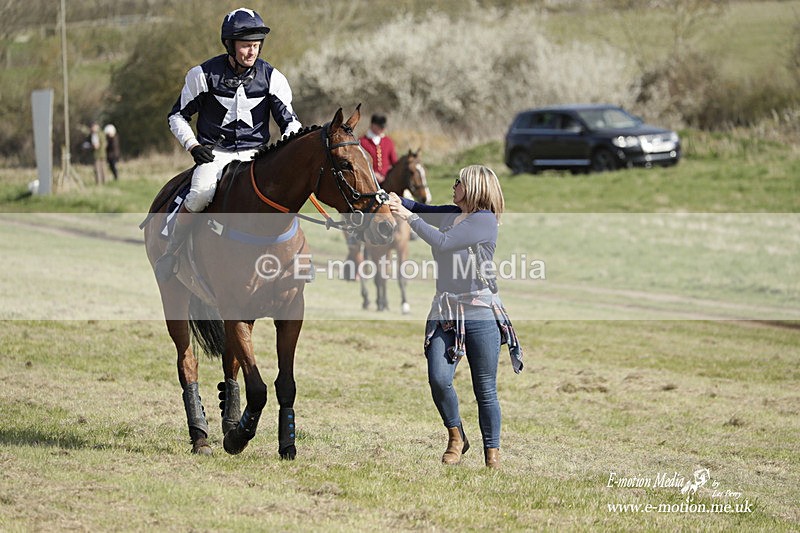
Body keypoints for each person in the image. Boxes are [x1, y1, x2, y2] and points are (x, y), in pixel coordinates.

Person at [387, 165, 523, 469]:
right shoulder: (451, 213)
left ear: (473, 187)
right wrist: (393, 198)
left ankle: (492, 455)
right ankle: (457, 436)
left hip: (480, 313)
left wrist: (408, 217)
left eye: (458, 181)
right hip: (445, 310)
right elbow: (419, 207)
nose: (454, 185)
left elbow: (443, 242)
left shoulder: (484, 220)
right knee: (438, 378)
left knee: (484, 388)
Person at [154, 7, 302, 282]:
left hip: (257, 155)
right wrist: (193, 146)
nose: (252, 51)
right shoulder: (203, 74)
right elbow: (177, 116)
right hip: (215, 155)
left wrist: (285, 151)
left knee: (285, 195)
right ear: (229, 44)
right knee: (199, 195)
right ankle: (172, 253)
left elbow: (291, 123)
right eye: (245, 45)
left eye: (256, 45)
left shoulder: (273, 78)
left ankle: (295, 259)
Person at [359, 114, 398, 184]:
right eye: (380, 127)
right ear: (373, 125)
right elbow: (360, 162)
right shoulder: (362, 142)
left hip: (387, 180)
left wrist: (386, 173)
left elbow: (394, 162)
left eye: (383, 127)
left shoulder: (388, 141)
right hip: (368, 179)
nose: (382, 129)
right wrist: (373, 173)